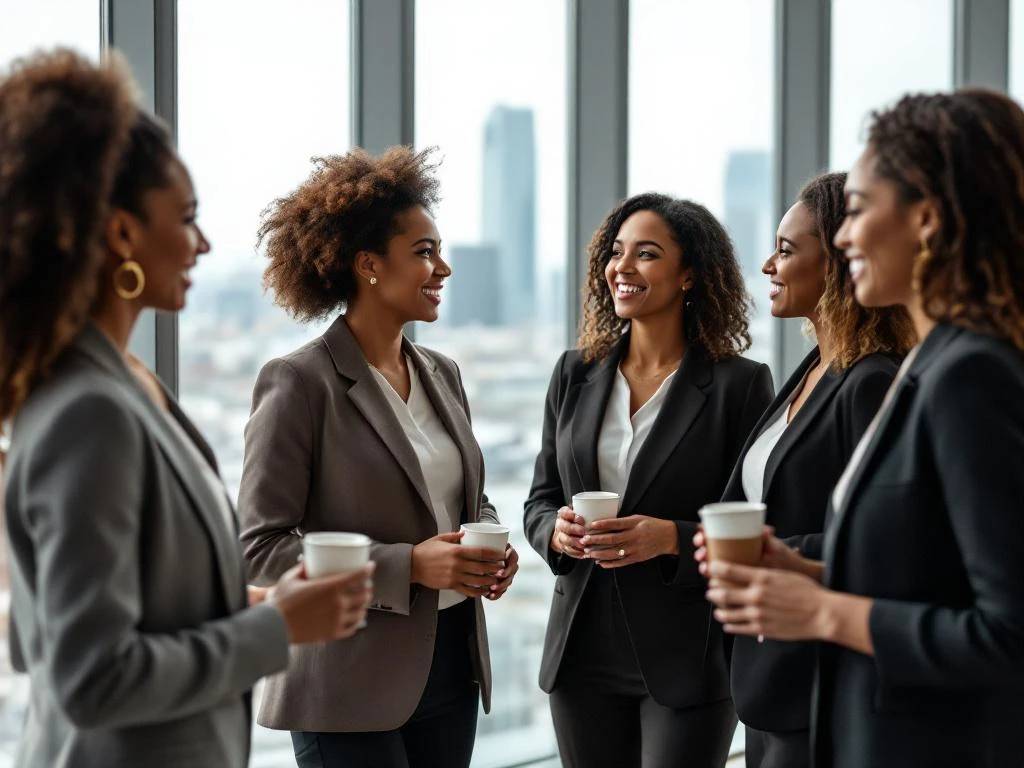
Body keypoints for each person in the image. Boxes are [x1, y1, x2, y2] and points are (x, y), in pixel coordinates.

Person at [0, 50, 373, 768]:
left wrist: (255, 605)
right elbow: (89, 676)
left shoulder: (126, 382)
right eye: (189, 219)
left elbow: (48, 630)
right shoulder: (89, 411)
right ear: (122, 235)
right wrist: (276, 630)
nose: (202, 244)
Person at [704, 90, 1024, 768]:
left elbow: (1009, 632)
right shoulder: (930, 366)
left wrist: (823, 612)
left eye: (859, 210)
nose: (846, 236)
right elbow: (934, 579)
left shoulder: (972, 376)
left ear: (929, 219)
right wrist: (811, 570)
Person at [237, 146, 518, 768]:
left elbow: (465, 498)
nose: (443, 267)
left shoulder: (444, 373)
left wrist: (489, 549)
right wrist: (407, 567)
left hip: (451, 662)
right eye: (424, 251)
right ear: (368, 265)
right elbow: (259, 549)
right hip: (345, 677)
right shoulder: (298, 383)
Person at [523, 192, 774, 768]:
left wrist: (670, 539)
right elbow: (540, 499)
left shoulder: (740, 386)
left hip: (687, 655)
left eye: (647, 254)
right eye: (616, 252)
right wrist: (554, 534)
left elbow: (755, 522)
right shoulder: (574, 372)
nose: (623, 267)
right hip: (580, 653)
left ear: (689, 276)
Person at [694, 172, 915, 768]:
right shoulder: (816, 364)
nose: (768, 264)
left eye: (787, 251)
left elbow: (887, 538)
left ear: (838, 263)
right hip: (768, 672)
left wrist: (774, 552)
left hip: (819, 677)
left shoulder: (871, 380)